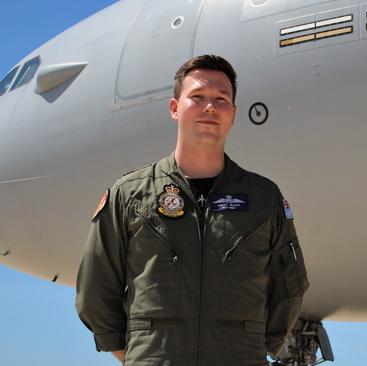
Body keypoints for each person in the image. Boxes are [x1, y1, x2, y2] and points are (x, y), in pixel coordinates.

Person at [76, 55, 309, 365]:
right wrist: (142, 355)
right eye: (197, 97)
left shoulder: (264, 198)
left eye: (221, 99)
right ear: (175, 108)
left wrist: (249, 346)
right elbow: (96, 287)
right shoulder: (129, 195)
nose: (210, 107)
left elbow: (290, 285)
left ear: (233, 114)